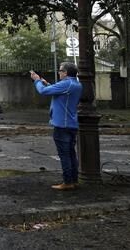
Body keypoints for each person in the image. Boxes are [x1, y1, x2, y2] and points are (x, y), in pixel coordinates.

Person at [30, 62, 82, 190]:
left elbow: (42, 91)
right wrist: (47, 84)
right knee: (71, 153)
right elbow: (57, 91)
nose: (59, 72)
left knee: (64, 154)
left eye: (60, 71)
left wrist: (37, 81)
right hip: (71, 124)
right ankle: (74, 180)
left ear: (65, 72)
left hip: (61, 125)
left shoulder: (65, 84)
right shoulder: (76, 84)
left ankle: (67, 182)